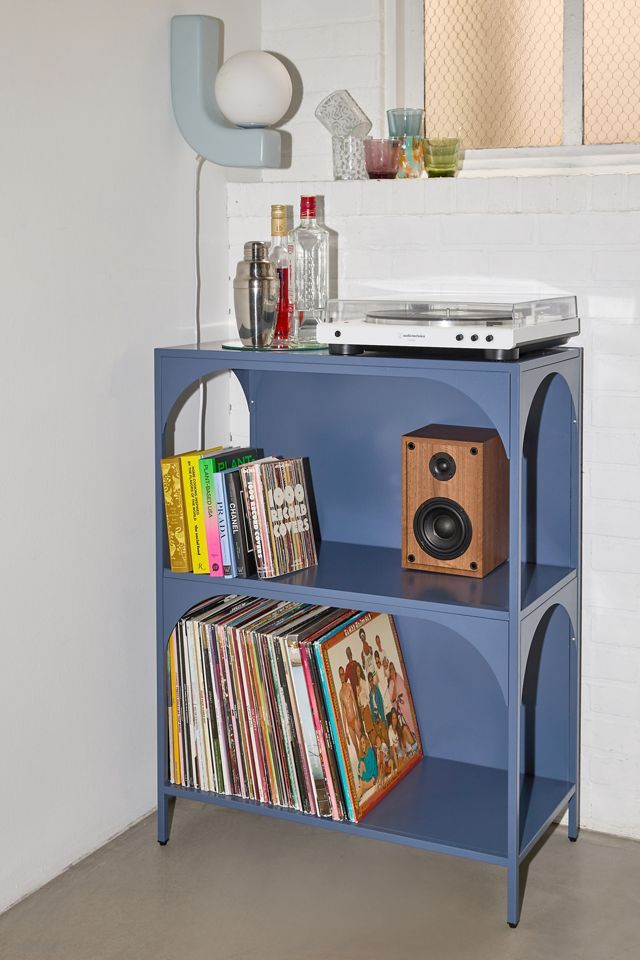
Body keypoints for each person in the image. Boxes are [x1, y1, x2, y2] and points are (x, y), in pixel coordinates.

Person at [338, 665, 361, 755]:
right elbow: (343, 713)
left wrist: (358, 719)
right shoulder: (340, 693)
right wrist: (345, 731)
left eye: (343, 674)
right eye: (340, 675)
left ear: (344, 674)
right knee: (356, 748)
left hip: (354, 719)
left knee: (362, 743)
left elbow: (355, 703)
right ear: (339, 676)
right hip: (349, 723)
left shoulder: (349, 686)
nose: (342, 676)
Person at [388, 661, 415, 736]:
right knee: (407, 718)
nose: (392, 670)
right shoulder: (390, 683)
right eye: (391, 669)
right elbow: (392, 698)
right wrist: (394, 682)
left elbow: (405, 686)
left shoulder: (399, 676)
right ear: (389, 672)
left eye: (393, 668)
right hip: (401, 705)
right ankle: (412, 734)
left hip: (406, 700)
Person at [368, 671, 388, 746]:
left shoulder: (377, 690)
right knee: (380, 737)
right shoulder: (370, 694)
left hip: (380, 716)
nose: (371, 682)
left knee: (385, 735)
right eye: (369, 681)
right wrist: (374, 722)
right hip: (375, 718)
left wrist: (383, 718)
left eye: (371, 680)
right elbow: (371, 709)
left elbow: (381, 705)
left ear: (373, 680)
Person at [355, 662, 374, 741]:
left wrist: (364, 707)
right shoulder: (357, 686)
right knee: (367, 731)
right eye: (356, 671)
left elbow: (368, 697)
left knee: (371, 729)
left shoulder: (364, 682)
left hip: (366, 709)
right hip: (361, 711)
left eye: (359, 671)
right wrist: (358, 693)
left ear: (361, 672)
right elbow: (358, 701)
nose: (358, 673)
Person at [374, 649, 393, 717]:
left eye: (378, 659)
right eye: (376, 660)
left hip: (386, 690)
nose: (377, 661)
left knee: (390, 706)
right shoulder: (376, 672)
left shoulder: (383, 668)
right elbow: (377, 683)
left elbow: (386, 677)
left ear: (379, 659)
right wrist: (382, 693)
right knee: (386, 711)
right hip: (382, 692)